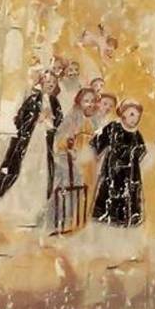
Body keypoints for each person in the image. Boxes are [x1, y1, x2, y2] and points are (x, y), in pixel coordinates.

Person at [0, 72, 63, 224]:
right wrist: (36, 119)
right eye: (48, 82)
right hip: (30, 142)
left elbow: (58, 121)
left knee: (40, 174)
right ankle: (14, 208)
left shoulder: (55, 102)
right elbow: (20, 119)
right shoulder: (33, 100)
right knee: (23, 171)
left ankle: (34, 211)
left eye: (54, 82)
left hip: (45, 145)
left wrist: (50, 120)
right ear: (41, 83)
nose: (51, 84)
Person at [91, 101, 152, 227]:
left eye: (137, 116)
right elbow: (96, 144)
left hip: (130, 173)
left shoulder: (136, 134)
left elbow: (141, 152)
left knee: (129, 197)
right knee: (109, 195)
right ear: (123, 114)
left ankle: (128, 219)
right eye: (131, 114)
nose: (135, 119)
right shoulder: (113, 128)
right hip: (113, 172)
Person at [50, 88, 100, 233]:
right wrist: (69, 146)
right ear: (79, 102)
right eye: (86, 101)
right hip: (73, 161)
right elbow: (60, 139)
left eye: (92, 101)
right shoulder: (72, 118)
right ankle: (65, 221)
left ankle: (84, 222)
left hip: (91, 161)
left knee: (90, 190)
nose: (90, 104)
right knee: (70, 189)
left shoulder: (97, 119)